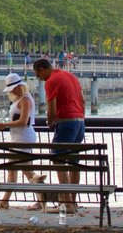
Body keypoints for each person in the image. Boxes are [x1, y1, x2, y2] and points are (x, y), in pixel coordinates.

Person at [33, 58, 85, 214]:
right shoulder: (71, 76)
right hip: (79, 122)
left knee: (58, 160)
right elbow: (82, 101)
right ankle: (73, 202)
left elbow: (52, 109)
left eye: (38, 75)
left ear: (42, 69)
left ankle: (67, 203)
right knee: (74, 162)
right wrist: (81, 118)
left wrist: (50, 122)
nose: (39, 78)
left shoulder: (51, 81)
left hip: (66, 123)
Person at [0, 72, 46, 209]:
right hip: (18, 137)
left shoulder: (25, 99)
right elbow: (17, 120)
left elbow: (23, 121)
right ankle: (40, 198)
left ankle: (7, 201)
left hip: (23, 137)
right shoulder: (19, 99)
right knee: (21, 168)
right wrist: (5, 124)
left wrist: (5, 125)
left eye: (13, 88)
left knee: (21, 168)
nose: (11, 91)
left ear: (19, 87)